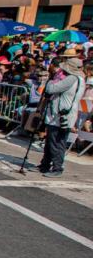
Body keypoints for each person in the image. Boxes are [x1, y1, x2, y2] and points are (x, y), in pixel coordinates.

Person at [38, 50, 86, 178]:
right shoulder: (81, 79)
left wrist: (52, 79)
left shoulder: (71, 78)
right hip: (65, 114)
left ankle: (57, 168)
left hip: (60, 115)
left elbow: (50, 89)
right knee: (51, 140)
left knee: (56, 142)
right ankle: (45, 164)